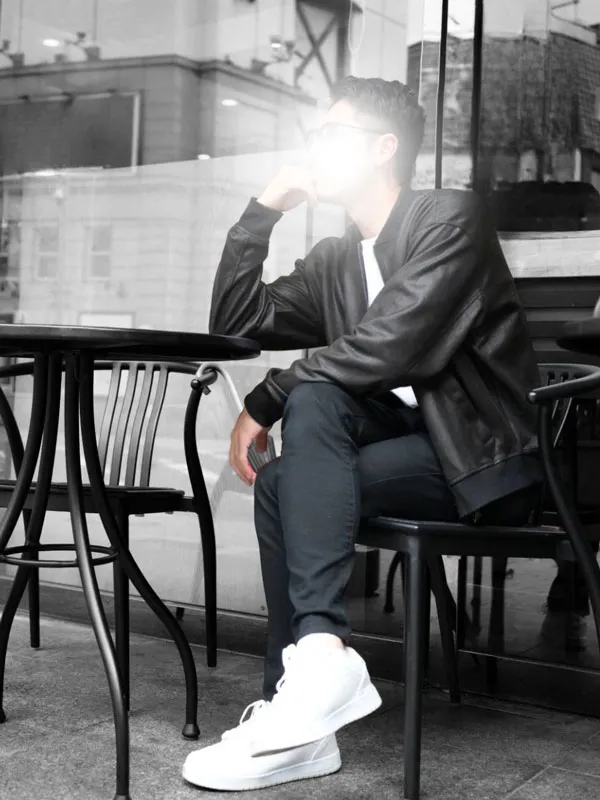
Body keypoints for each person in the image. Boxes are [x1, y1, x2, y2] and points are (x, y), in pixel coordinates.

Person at [183, 76, 543, 791]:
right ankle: (314, 680)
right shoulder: (336, 260)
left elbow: (392, 345)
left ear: (383, 148)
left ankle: (303, 706)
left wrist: (268, 396)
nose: (315, 147)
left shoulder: (450, 219)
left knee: (299, 426)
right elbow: (236, 323)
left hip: (477, 459)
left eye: (331, 135)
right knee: (295, 447)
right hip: (402, 449)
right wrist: (261, 212)